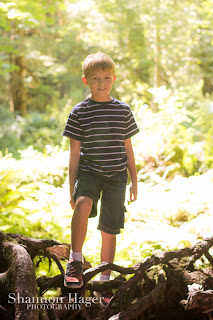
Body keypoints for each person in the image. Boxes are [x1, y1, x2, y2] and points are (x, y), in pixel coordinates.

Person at [62, 52, 139, 303]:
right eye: (96, 78)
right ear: (85, 80)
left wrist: (134, 180)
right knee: (83, 203)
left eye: (107, 78)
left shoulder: (123, 111)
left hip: (117, 176)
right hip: (89, 172)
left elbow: (128, 149)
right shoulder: (79, 112)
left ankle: (104, 282)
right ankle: (75, 260)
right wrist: (71, 187)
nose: (102, 83)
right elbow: (74, 154)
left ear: (114, 79)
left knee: (110, 228)